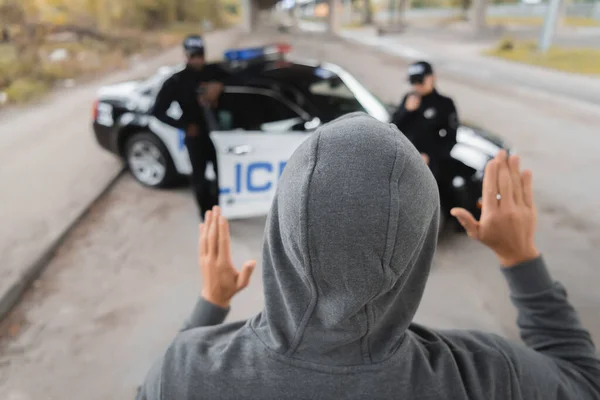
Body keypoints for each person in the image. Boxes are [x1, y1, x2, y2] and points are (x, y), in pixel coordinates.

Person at [136, 113, 600, 400]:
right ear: (418, 250)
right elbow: (584, 382)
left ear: (280, 227)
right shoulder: (486, 375)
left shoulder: (187, 370)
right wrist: (521, 259)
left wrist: (210, 305)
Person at [151, 34, 231, 219]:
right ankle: (206, 214)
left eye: (200, 54)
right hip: (196, 135)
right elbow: (158, 111)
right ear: (186, 56)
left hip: (222, 134)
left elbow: (241, 78)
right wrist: (184, 126)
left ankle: (222, 207)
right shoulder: (177, 81)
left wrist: (220, 85)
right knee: (199, 178)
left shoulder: (215, 72)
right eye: (193, 55)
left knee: (224, 173)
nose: (197, 59)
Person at [392, 61, 458, 182]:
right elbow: (393, 128)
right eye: (414, 82)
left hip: (430, 167)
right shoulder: (408, 99)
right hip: (405, 162)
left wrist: (430, 157)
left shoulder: (444, 104)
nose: (417, 86)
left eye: (420, 81)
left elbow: (451, 139)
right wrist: (406, 111)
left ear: (431, 78)